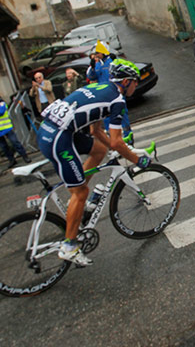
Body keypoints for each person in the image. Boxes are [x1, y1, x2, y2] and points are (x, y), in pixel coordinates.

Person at [36, 59, 151, 266]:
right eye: (134, 81)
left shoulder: (99, 86)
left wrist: (119, 149)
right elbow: (116, 141)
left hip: (50, 129)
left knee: (98, 149)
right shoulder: (117, 100)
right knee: (81, 193)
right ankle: (69, 246)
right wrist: (137, 159)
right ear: (125, 82)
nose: (136, 85)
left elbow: (96, 131)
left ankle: (79, 194)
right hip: (57, 138)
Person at [0, 88, 32, 168]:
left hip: (6, 127)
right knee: (4, 147)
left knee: (15, 142)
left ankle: (25, 156)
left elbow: (1, 111)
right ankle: (11, 160)